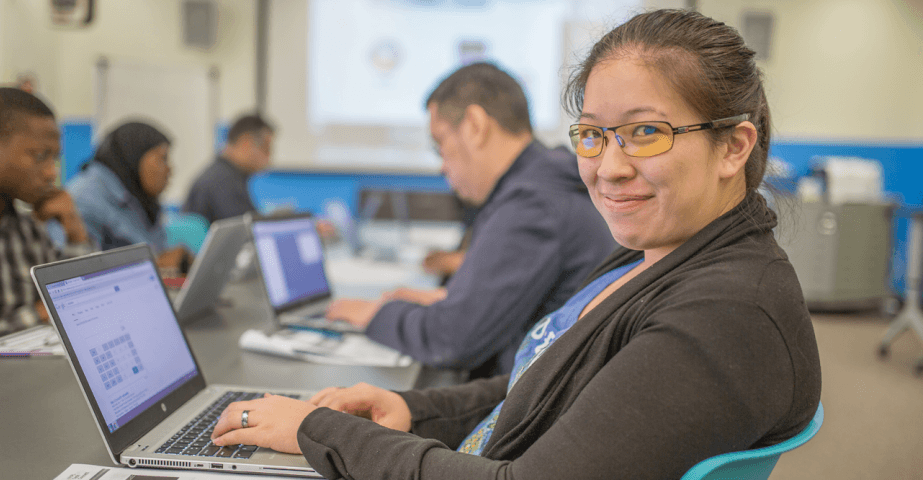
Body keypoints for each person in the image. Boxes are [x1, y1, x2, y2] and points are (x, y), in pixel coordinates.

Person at [208, 10, 822, 479]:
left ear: (734, 146)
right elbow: (545, 380)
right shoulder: (658, 254)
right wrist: (414, 410)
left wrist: (319, 430)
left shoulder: (727, 312)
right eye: (592, 135)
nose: (608, 168)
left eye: (644, 133)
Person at [325, 63, 615, 378]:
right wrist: (454, 299)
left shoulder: (533, 205)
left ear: (475, 125)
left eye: (440, 145)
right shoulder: (542, 184)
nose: (442, 166)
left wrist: (375, 314)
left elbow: (452, 340)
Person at [0, 87, 93, 342]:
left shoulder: (26, 225)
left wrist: (75, 231)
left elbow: (80, 303)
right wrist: (40, 314)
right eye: (40, 156)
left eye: (54, 159)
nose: (51, 173)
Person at [67, 121, 189, 271]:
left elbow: (156, 250)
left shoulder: (137, 194)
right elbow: (81, 272)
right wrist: (158, 264)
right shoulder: (85, 198)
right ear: (135, 155)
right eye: (162, 159)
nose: (170, 169)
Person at [183, 114, 274, 224]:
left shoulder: (222, 174)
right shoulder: (223, 183)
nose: (269, 159)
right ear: (246, 143)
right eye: (266, 149)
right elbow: (247, 230)